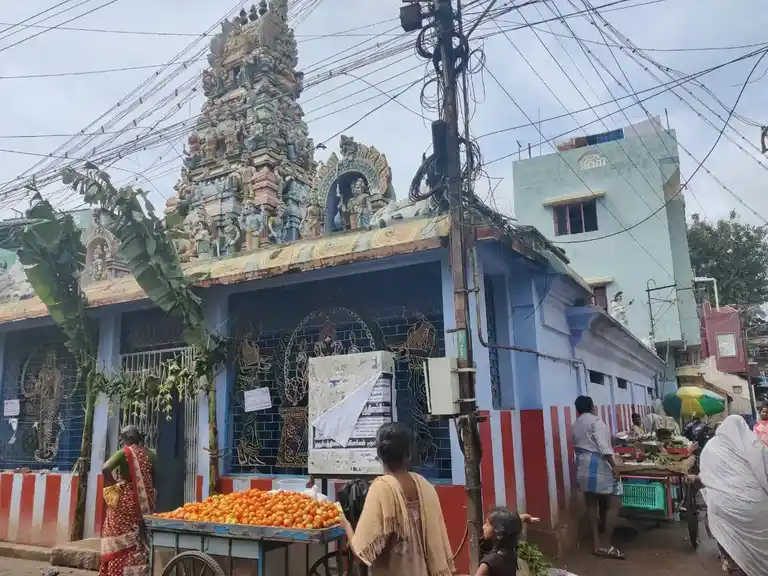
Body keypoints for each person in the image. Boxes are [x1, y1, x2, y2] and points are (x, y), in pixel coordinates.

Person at [339, 422, 455, 576]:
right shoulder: (424, 485)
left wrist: (345, 524)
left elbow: (361, 554)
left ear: (379, 454)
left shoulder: (381, 488)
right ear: (409, 453)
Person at [684, 415, 768, 575]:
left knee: (721, 524)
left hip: (725, 508)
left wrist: (696, 479)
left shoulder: (711, 447)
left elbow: (708, 478)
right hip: (757, 508)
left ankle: (730, 560)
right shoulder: (755, 446)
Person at [571, 395, 625, 560]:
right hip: (598, 464)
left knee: (591, 504)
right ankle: (606, 544)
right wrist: (615, 467)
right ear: (592, 407)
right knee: (615, 500)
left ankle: (596, 544)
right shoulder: (596, 422)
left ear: (577, 409)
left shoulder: (575, 425)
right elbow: (604, 447)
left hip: (581, 465)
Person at [99, 425, 157, 576]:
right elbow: (155, 479)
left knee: (117, 538)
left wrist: (113, 483)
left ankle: (116, 572)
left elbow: (105, 468)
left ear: (130, 438)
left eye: (123, 437)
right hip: (145, 502)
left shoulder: (124, 453)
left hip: (124, 502)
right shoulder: (151, 454)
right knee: (139, 539)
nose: (121, 440)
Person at [474, 506, 539, 576]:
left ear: (498, 532)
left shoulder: (488, 563)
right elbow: (510, 523)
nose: (483, 527)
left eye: (487, 524)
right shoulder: (511, 554)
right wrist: (525, 517)